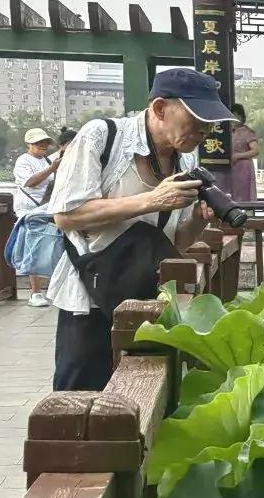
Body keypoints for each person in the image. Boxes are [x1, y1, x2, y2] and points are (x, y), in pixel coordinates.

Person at [46, 67, 228, 391]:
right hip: (91, 296)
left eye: (210, 122)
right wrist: (151, 200)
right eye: (197, 119)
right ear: (160, 108)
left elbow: (175, 241)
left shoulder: (186, 160)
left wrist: (200, 220)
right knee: (81, 394)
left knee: (141, 392)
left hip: (148, 299)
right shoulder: (101, 137)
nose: (205, 130)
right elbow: (66, 214)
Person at [7, 127, 63, 306]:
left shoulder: (47, 160)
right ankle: (35, 293)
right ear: (29, 144)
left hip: (46, 209)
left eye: (45, 142)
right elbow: (30, 182)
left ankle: (54, 289)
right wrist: (51, 169)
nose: (43, 145)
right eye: (39, 143)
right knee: (34, 248)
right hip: (29, 211)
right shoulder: (23, 161)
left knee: (52, 245)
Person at [228, 102, 260, 204]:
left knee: (243, 193)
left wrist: (238, 156)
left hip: (244, 168)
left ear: (242, 117)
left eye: (238, 116)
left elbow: (255, 150)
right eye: (233, 116)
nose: (235, 119)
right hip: (231, 167)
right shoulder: (227, 132)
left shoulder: (247, 132)